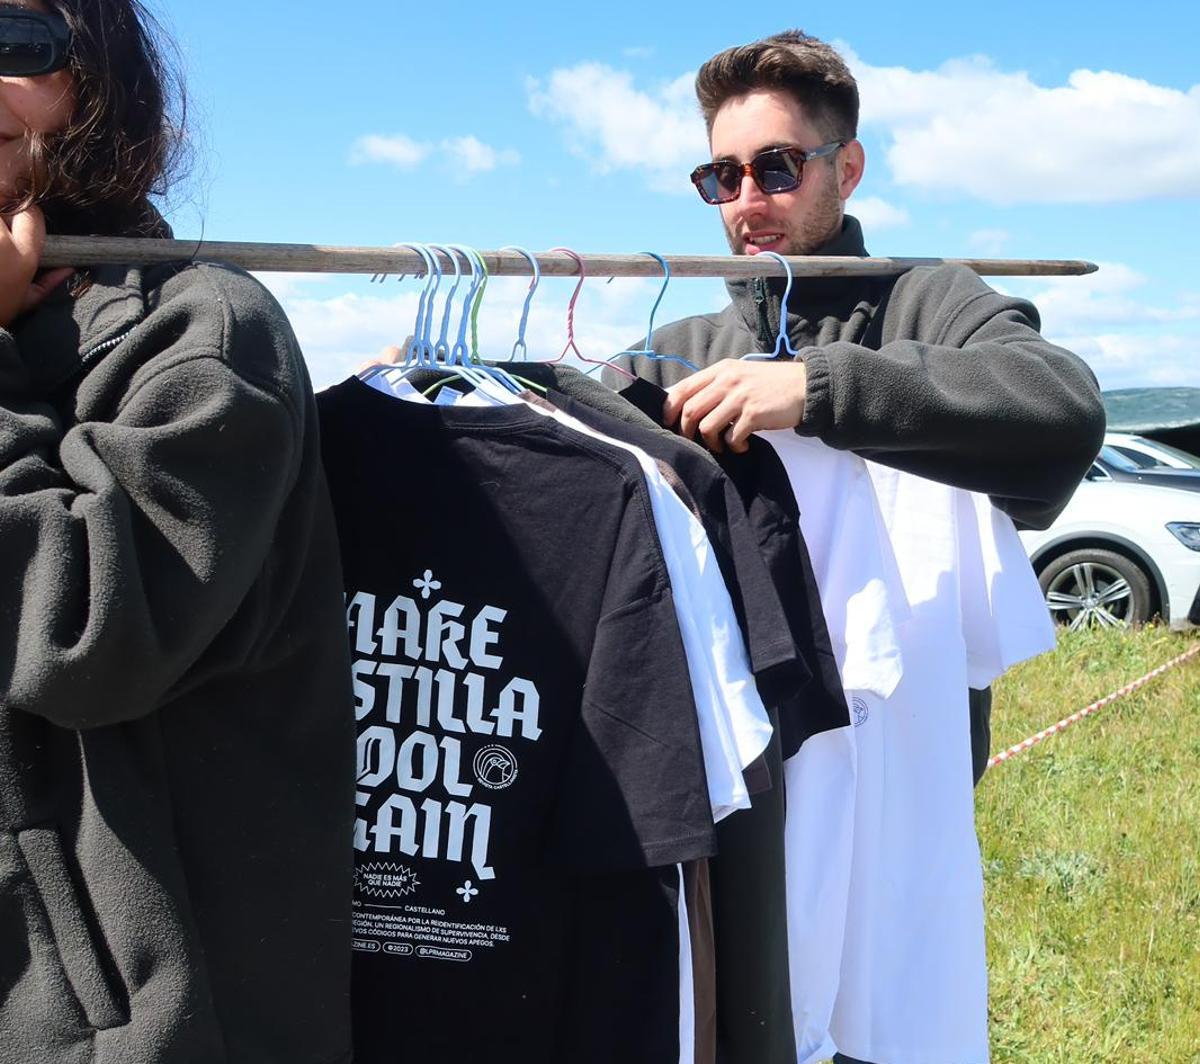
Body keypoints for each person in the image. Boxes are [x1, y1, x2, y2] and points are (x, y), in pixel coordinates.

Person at [608, 30, 1106, 792]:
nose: (747, 201)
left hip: (904, 776)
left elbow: (1063, 409)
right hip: (732, 784)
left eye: (777, 167)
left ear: (847, 168)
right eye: (722, 177)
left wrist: (818, 390)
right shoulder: (669, 358)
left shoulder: (929, 304)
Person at [0, 3, 355, 1062]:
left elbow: (83, 637)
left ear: (102, 84)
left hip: (145, 1020)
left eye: (13, 40)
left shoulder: (208, 329)